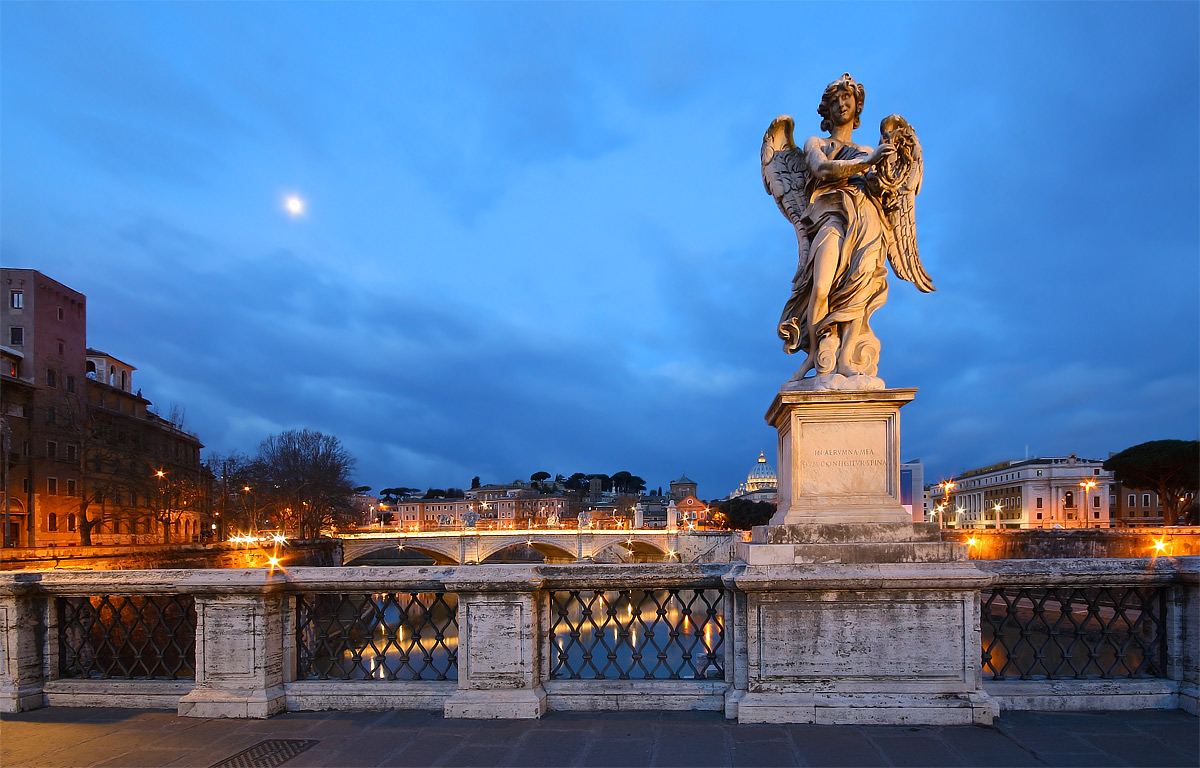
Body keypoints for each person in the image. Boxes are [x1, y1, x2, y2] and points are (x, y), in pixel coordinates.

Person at [771, 74, 894, 388]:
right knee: (822, 286)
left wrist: (883, 176)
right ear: (826, 109)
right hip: (830, 218)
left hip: (865, 220)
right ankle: (817, 356)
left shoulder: (866, 149)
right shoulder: (817, 144)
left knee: (860, 286)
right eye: (835, 100)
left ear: (857, 106)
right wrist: (869, 161)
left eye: (847, 98)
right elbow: (822, 169)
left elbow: (878, 189)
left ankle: (846, 358)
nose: (842, 104)